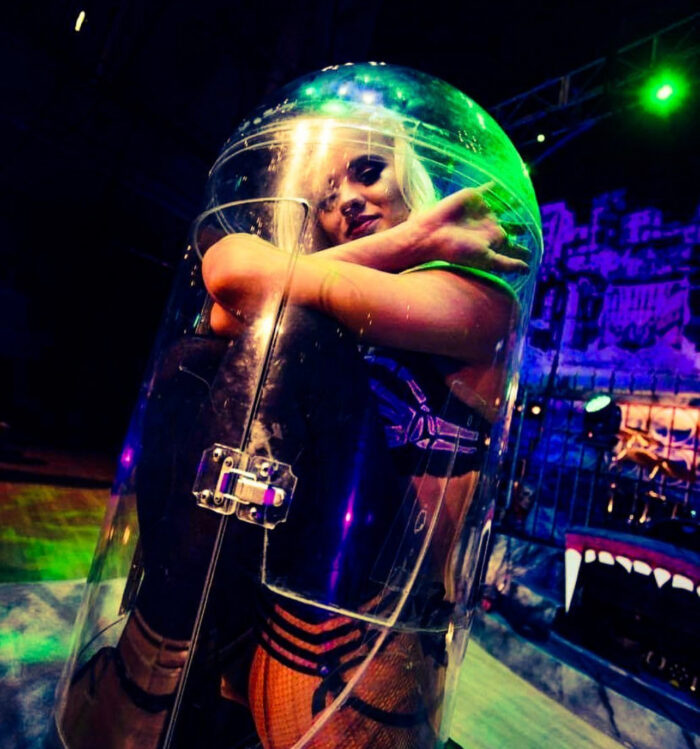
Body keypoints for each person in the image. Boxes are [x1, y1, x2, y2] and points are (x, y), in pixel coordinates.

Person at [58, 101, 534, 748]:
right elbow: (226, 279)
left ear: (411, 174)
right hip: (285, 553)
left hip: (375, 590)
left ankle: (170, 657)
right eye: (327, 197)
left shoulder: (479, 294)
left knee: (298, 331)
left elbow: (255, 286)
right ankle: (173, 640)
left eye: (369, 171)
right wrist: (414, 237)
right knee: (193, 360)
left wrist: (416, 249)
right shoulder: (342, 274)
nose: (349, 202)